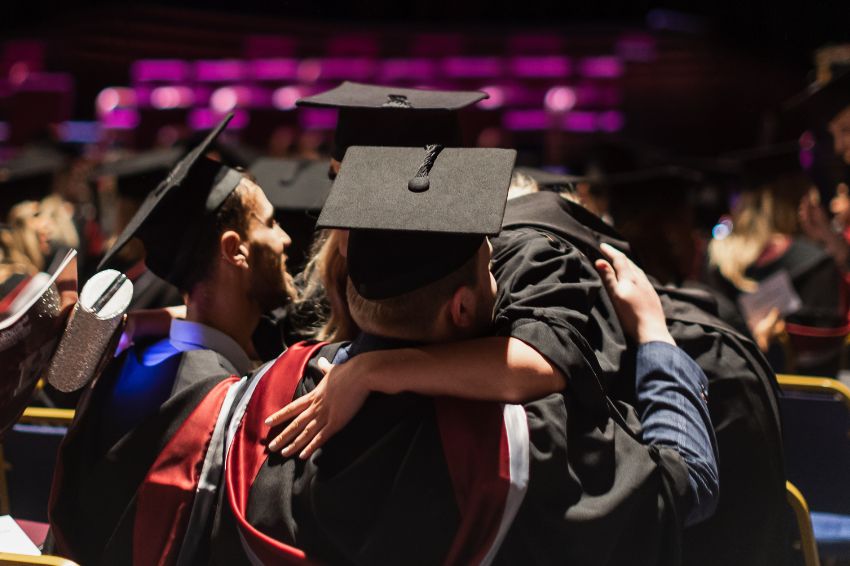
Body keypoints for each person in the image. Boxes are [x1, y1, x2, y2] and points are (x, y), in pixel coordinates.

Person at [213, 146, 717, 564]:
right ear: (461, 307)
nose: (499, 279)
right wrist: (654, 336)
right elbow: (686, 483)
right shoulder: (524, 440)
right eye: (490, 267)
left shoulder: (269, 400)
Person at [48, 113, 296, 564]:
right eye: (272, 222)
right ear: (233, 250)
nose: (286, 238)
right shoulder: (224, 402)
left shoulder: (133, 365)